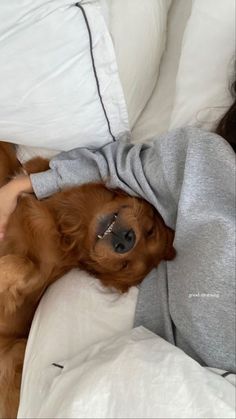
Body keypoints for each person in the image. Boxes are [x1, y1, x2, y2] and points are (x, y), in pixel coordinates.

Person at [0, 92, 235, 373]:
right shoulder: (206, 160)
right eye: (148, 231)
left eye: (124, 263)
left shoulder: (53, 256)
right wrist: (24, 185)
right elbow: (120, 165)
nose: (128, 243)